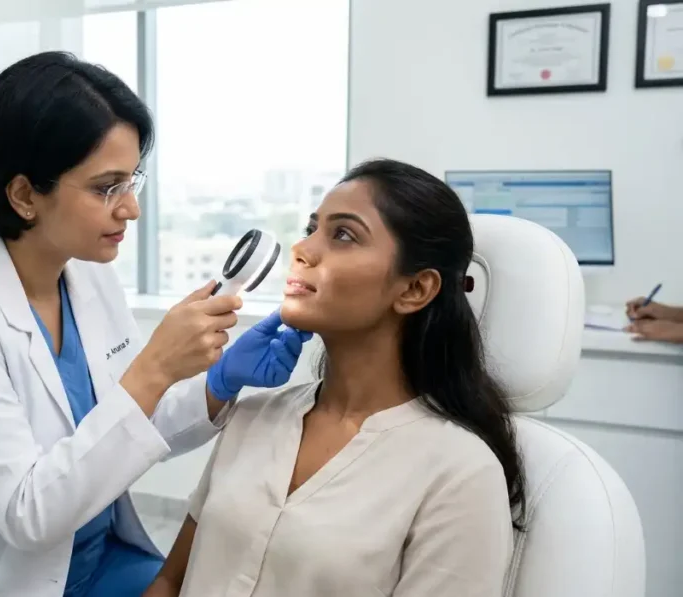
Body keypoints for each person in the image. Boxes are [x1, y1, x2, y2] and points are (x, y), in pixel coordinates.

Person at [0, 51, 312, 597]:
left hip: (99, 560)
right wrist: (153, 368)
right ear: (25, 195)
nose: (131, 210)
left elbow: (129, 428)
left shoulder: (89, 281)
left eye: (133, 182)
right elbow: (28, 515)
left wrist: (218, 384)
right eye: (106, 188)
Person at [144, 158, 524, 597]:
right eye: (312, 228)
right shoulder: (252, 417)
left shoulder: (461, 473)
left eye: (343, 234)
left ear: (415, 289)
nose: (302, 249)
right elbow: (171, 581)